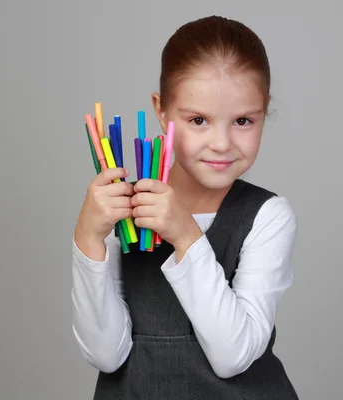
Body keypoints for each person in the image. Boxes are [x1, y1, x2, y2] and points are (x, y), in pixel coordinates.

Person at [71, 15, 299, 399]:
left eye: (243, 120)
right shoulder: (120, 210)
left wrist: (186, 235)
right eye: (198, 120)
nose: (222, 143)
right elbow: (105, 355)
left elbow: (233, 355)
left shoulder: (268, 216)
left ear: (265, 110)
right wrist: (87, 239)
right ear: (161, 111)